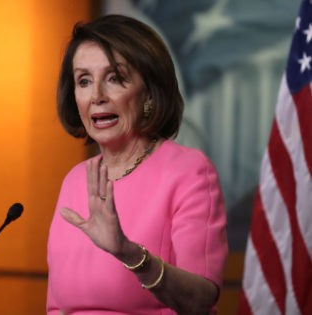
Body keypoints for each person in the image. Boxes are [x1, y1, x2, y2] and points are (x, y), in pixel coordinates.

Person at [47, 14, 228, 315]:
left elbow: (201, 301)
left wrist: (128, 253)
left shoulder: (189, 172)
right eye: (84, 81)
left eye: (115, 78)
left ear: (149, 92)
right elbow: (55, 306)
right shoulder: (75, 180)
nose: (97, 97)